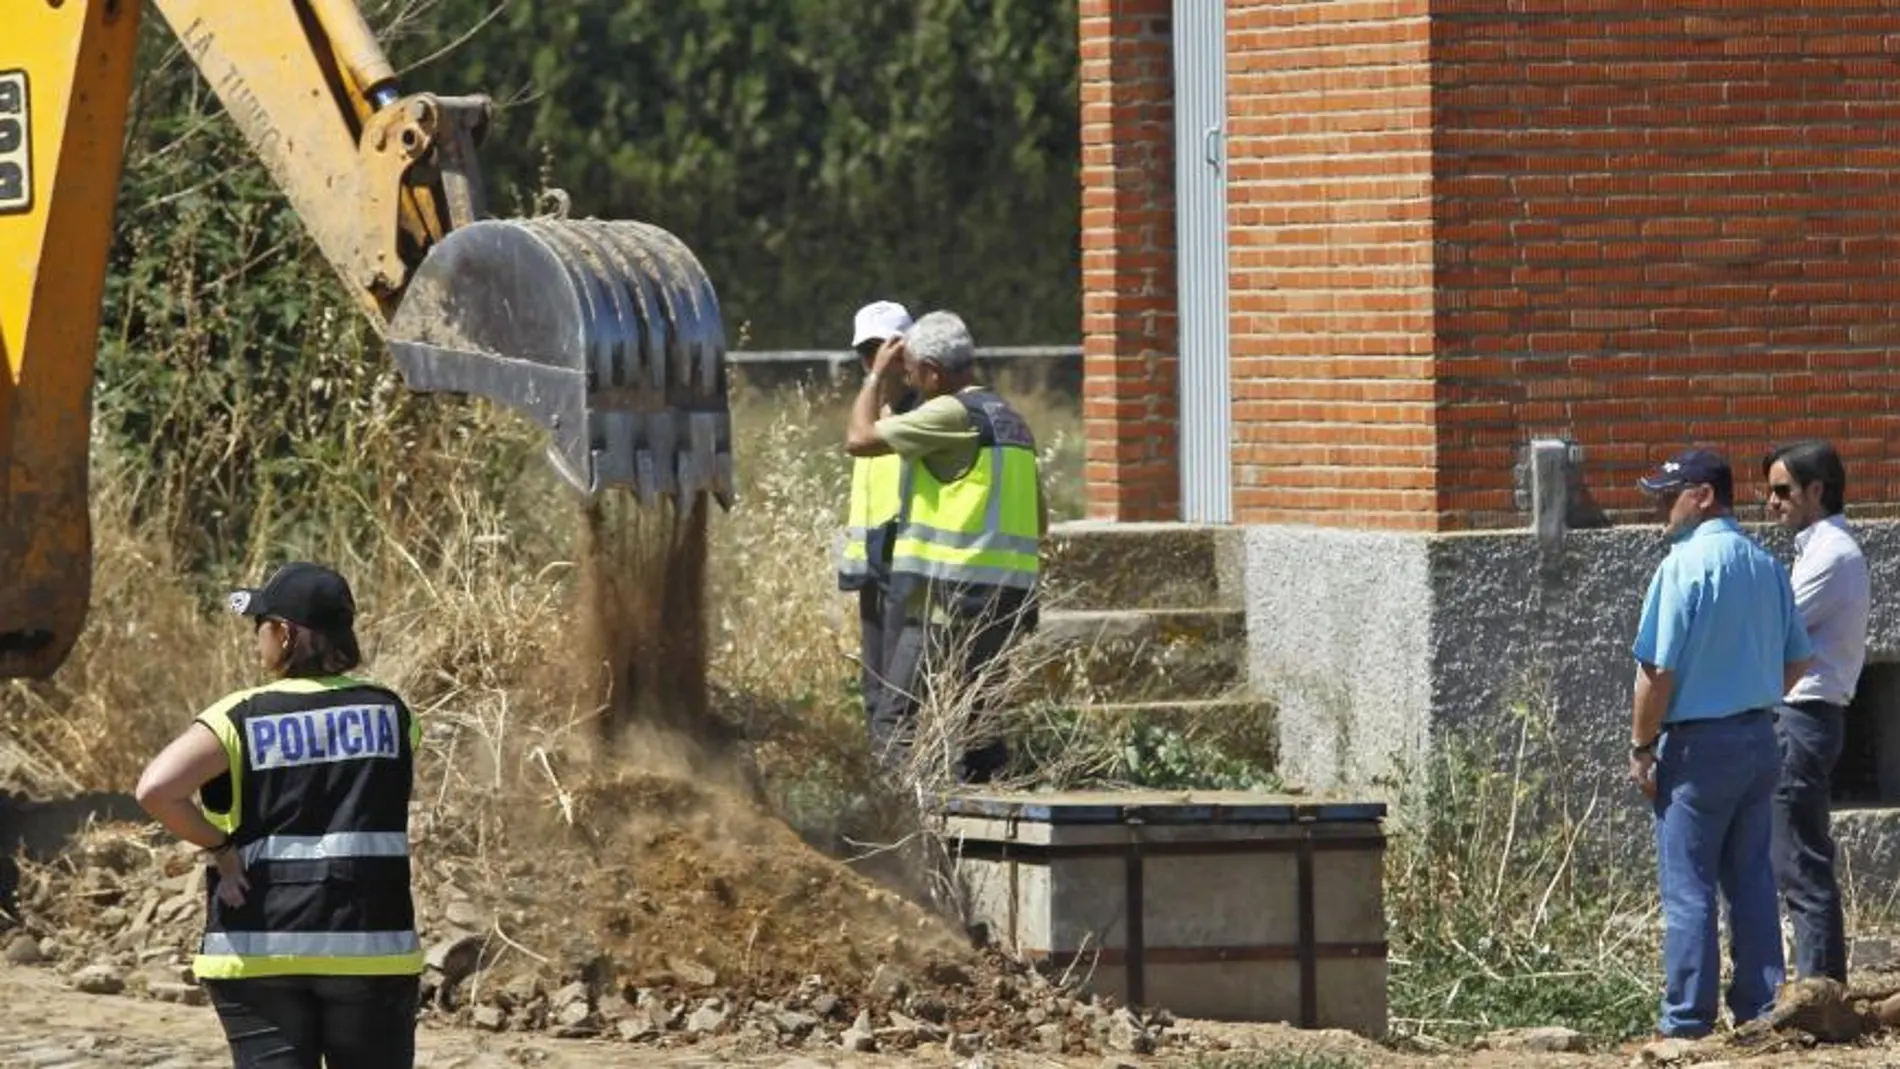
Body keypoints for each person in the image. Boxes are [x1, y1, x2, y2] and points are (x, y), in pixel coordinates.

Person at [134, 562, 423, 1068]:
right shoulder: (392, 714)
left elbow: (157, 790)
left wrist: (223, 850)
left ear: (285, 634)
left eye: (260, 627)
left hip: (259, 945)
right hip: (370, 944)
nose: (256, 641)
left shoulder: (237, 717)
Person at [1629, 449, 1813, 1040]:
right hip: (1760, 737)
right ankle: (1761, 1009)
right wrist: (1753, 696)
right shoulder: (1765, 564)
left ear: (1704, 495)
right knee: (1753, 879)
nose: (1662, 507)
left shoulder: (1681, 568)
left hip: (1697, 748)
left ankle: (1686, 1021)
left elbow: (1656, 673)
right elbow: (1798, 658)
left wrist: (1642, 744)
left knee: (1689, 887)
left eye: (1670, 494)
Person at [844, 310, 1046, 784]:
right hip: (1009, 601)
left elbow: (858, 438)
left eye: (911, 368)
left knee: (895, 719)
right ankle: (990, 823)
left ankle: (909, 835)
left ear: (933, 373)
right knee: (979, 725)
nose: (907, 377)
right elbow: (1041, 520)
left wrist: (874, 376)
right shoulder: (1012, 421)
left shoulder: (950, 412)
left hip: (948, 598)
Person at [1763, 440, 1869, 984]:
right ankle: (1818, 984)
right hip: (1804, 717)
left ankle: (1820, 989)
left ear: (1816, 491)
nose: (1771, 502)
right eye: (1770, 491)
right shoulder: (1817, 548)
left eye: (1783, 490)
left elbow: (1773, 626)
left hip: (1804, 718)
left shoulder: (1831, 553)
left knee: (1800, 861)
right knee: (1794, 856)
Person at [837, 300, 917, 744]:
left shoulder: (920, 411)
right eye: (867, 351)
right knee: (873, 693)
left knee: (895, 696)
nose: (877, 361)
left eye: (885, 348)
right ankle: (884, 789)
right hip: (871, 566)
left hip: (904, 564)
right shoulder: (868, 410)